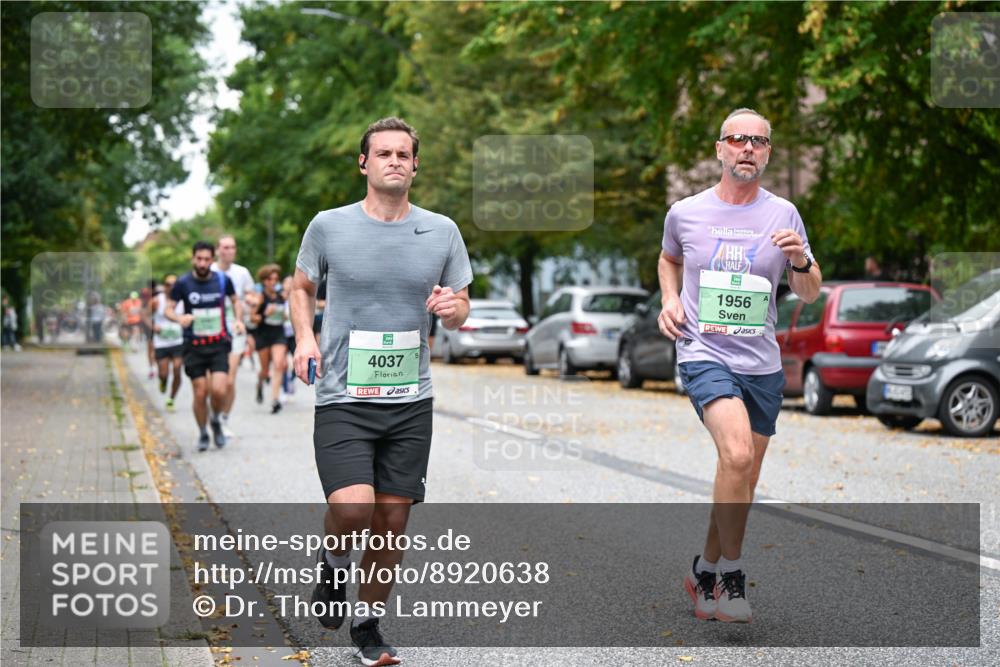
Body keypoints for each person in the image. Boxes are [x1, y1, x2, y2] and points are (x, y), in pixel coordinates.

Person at [290, 117, 472, 666]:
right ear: (363, 163)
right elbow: (301, 286)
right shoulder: (328, 226)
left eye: (403, 154)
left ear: (416, 165)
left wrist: (452, 309)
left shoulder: (442, 230)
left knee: (392, 519)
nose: (394, 161)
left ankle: (367, 625)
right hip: (344, 395)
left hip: (410, 398)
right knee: (353, 509)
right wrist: (303, 337)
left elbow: (462, 306)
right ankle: (332, 562)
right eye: (383, 153)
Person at [657, 108, 821, 624]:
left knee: (740, 475)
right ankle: (732, 576)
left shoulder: (785, 214)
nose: (747, 148)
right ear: (720, 149)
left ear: (768, 152)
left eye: (758, 141)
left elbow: (809, 291)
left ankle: (702, 570)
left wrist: (800, 261)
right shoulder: (685, 212)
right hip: (704, 352)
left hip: (762, 365)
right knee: (736, 453)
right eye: (738, 139)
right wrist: (669, 299)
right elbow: (669, 259)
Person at [167, 241, 245, 452]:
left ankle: (216, 420)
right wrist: (178, 318)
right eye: (199, 259)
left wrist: (238, 319)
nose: (202, 263)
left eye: (206, 259)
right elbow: (168, 309)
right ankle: (203, 431)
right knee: (200, 392)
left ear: (212, 259)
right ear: (193, 258)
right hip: (194, 345)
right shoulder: (183, 283)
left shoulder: (222, 280)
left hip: (219, 343)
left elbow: (236, 301)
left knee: (219, 390)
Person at [211, 235, 256, 436]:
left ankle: (223, 419)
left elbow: (252, 294)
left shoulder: (242, 272)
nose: (228, 250)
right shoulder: (209, 271)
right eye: (225, 247)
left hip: (235, 329)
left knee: (229, 380)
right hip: (211, 331)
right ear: (217, 250)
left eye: (232, 247)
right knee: (214, 384)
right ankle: (214, 415)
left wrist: (252, 301)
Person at [251, 264, 288, 414]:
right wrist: (265, 313)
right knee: (265, 370)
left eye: (275, 279)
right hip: (263, 335)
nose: (274, 282)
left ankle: (275, 400)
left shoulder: (281, 297)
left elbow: (284, 315)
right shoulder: (260, 298)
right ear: (264, 281)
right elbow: (252, 318)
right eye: (270, 279)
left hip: (278, 334)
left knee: (279, 365)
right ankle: (260, 382)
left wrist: (284, 315)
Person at [151, 274, 185, 410]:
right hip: (161, 342)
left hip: (178, 341)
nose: (171, 287)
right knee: (164, 373)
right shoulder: (156, 301)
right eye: (168, 284)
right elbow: (144, 315)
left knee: (177, 369)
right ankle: (163, 381)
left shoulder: (183, 301)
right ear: (164, 286)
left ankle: (171, 398)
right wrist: (153, 327)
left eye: (174, 284)